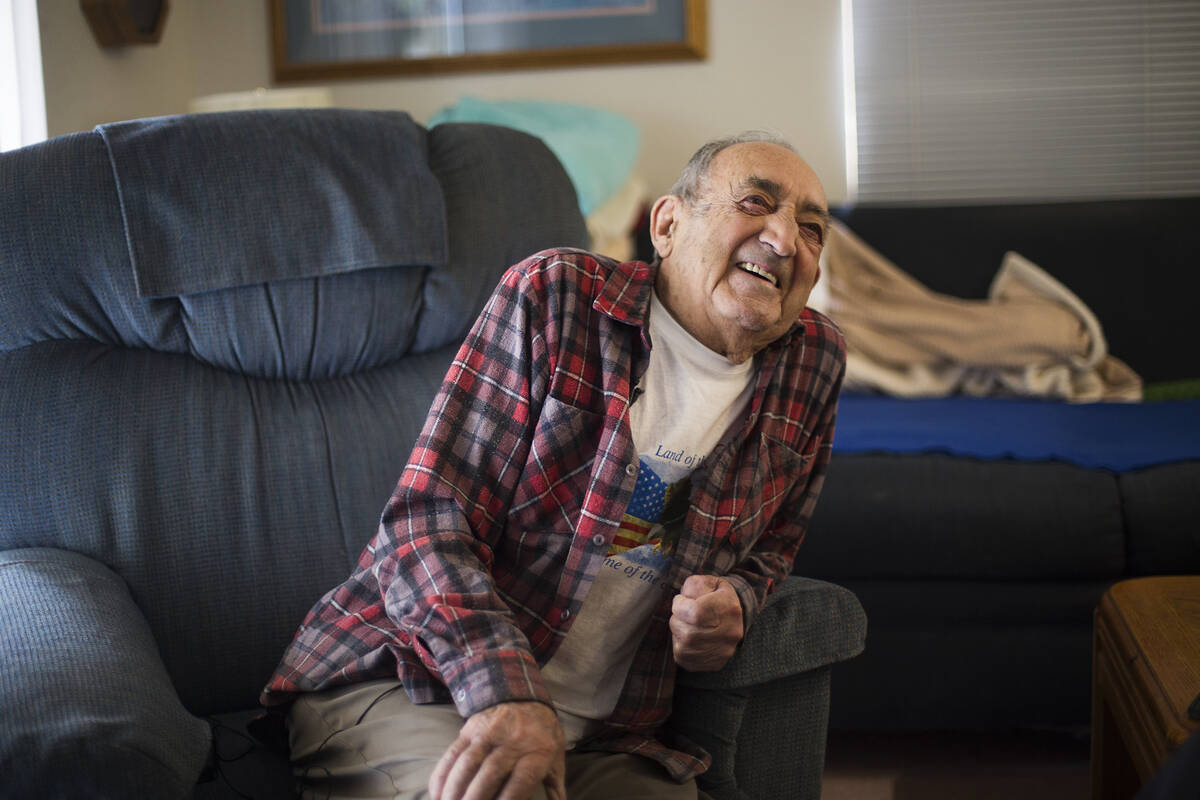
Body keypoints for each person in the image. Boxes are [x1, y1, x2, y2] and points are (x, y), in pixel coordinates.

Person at [261, 131, 846, 800]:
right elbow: (426, 527)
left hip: (609, 735)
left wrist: (736, 601)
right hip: (416, 680)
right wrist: (508, 696)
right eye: (755, 203)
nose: (785, 239)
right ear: (667, 224)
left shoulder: (814, 361)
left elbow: (773, 549)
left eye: (811, 229)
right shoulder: (559, 296)